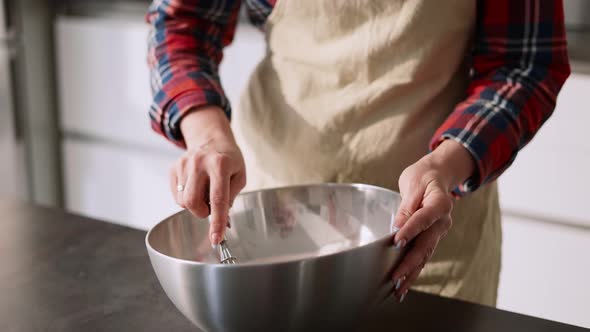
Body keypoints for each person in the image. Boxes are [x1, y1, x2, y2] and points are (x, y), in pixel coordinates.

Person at [146, 0, 570, 306]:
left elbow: (525, 62)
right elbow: (182, 23)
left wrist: (447, 163)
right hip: (272, 225)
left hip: (429, 224)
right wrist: (206, 135)